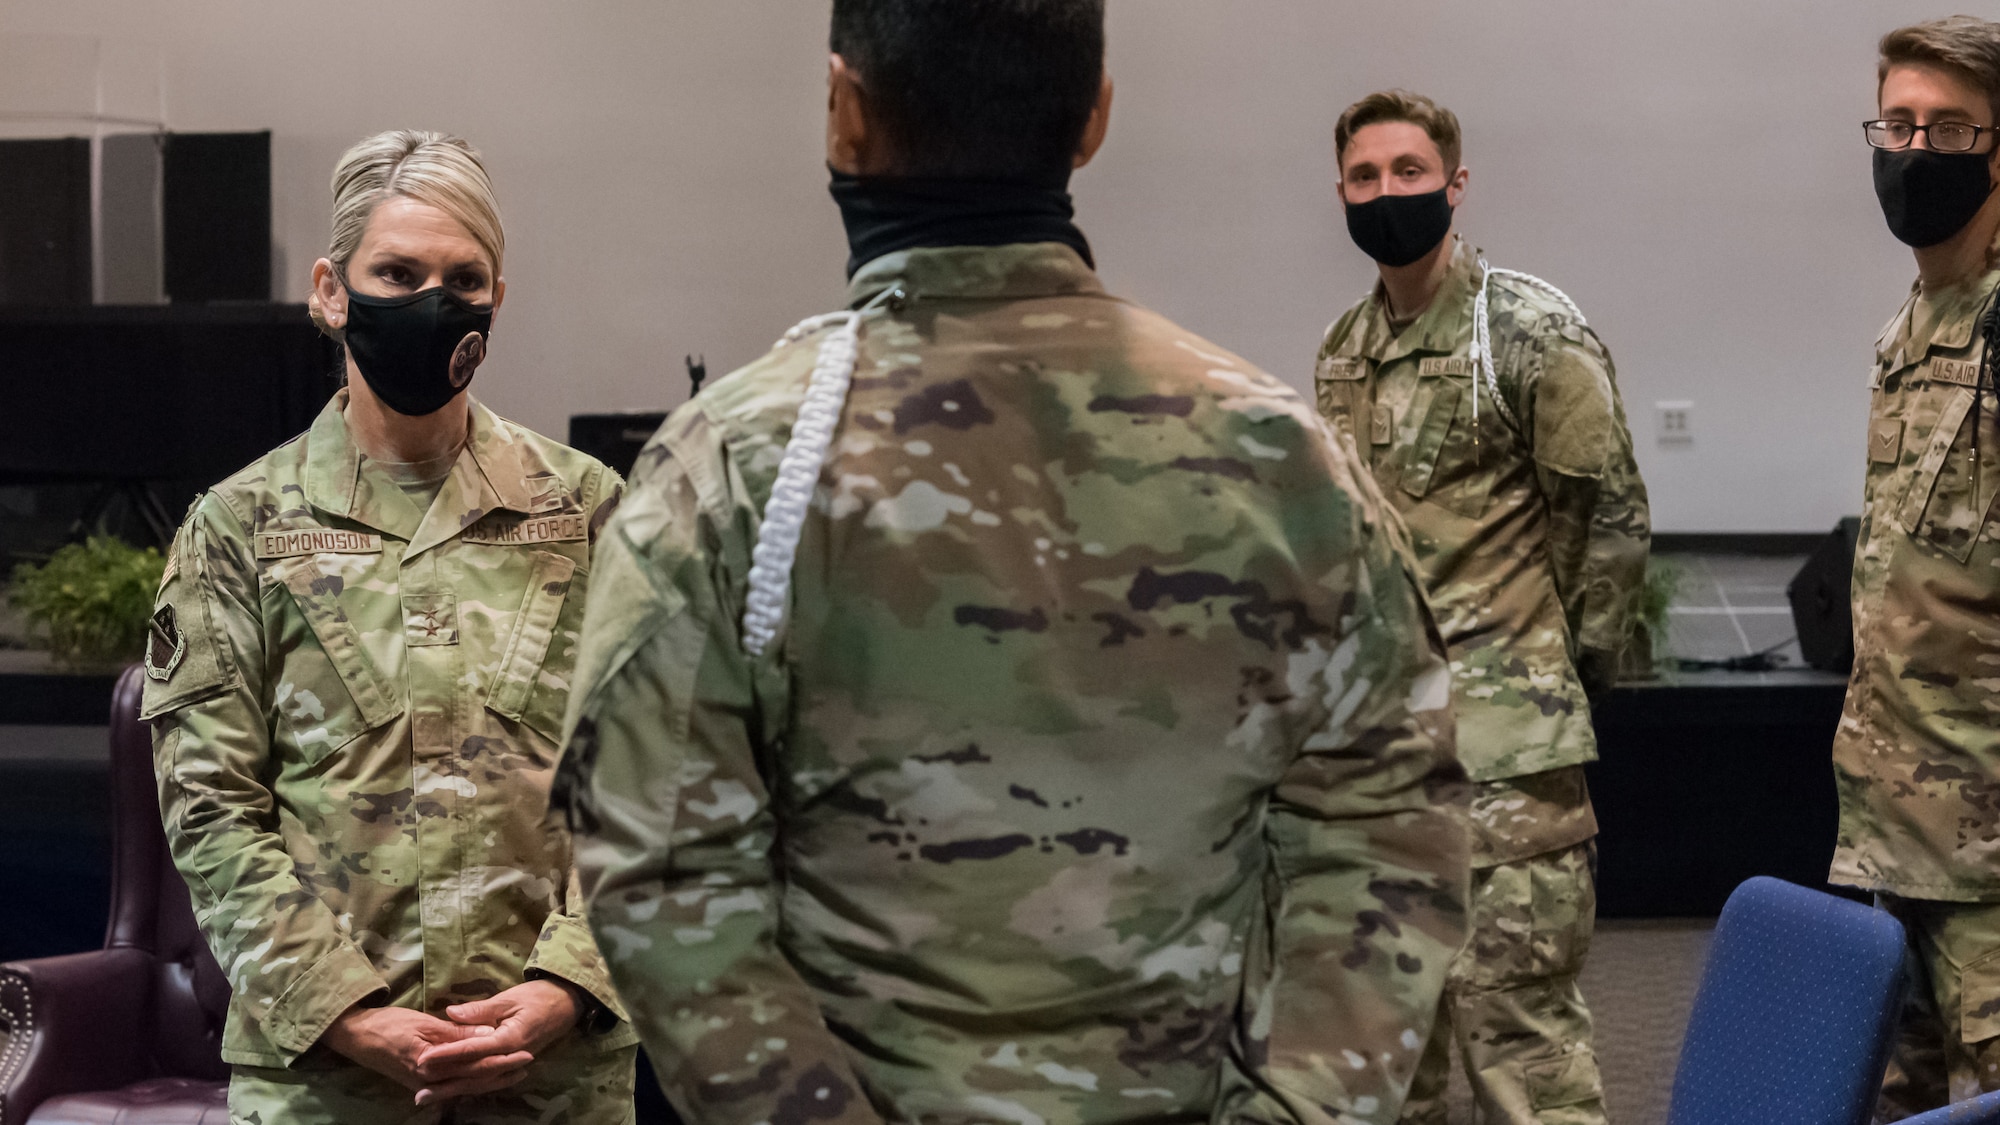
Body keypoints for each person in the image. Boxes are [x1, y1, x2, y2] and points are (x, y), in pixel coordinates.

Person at [550, 2, 1471, 1123]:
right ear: (1092, 122)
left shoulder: (733, 469)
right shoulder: (1281, 455)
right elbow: (1386, 825)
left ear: (842, 112)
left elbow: (659, 872)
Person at [140, 130, 637, 1123]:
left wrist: (566, 988)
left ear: (498, 299)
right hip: (326, 1086)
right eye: (398, 273)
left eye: (465, 278)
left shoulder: (591, 515)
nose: (434, 302)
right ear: (331, 292)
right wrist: (350, 1016)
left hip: (550, 1082)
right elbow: (211, 812)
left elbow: (659, 780)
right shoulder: (239, 529)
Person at [1310, 91, 1650, 1125]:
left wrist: (1550, 679)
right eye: (1363, 178)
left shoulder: (1525, 330)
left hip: (1506, 766)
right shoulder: (1341, 350)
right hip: (1380, 774)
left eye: (1407, 173)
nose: (1385, 194)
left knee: (1523, 1063)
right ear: (1340, 193)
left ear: (1453, 185)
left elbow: (1605, 526)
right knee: (1382, 1064)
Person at [1836, 17, 2000, 1119]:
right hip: (1885, 833)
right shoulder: (1910, 326)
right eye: (1895, 124)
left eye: (1947, 129)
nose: (1912, 151)